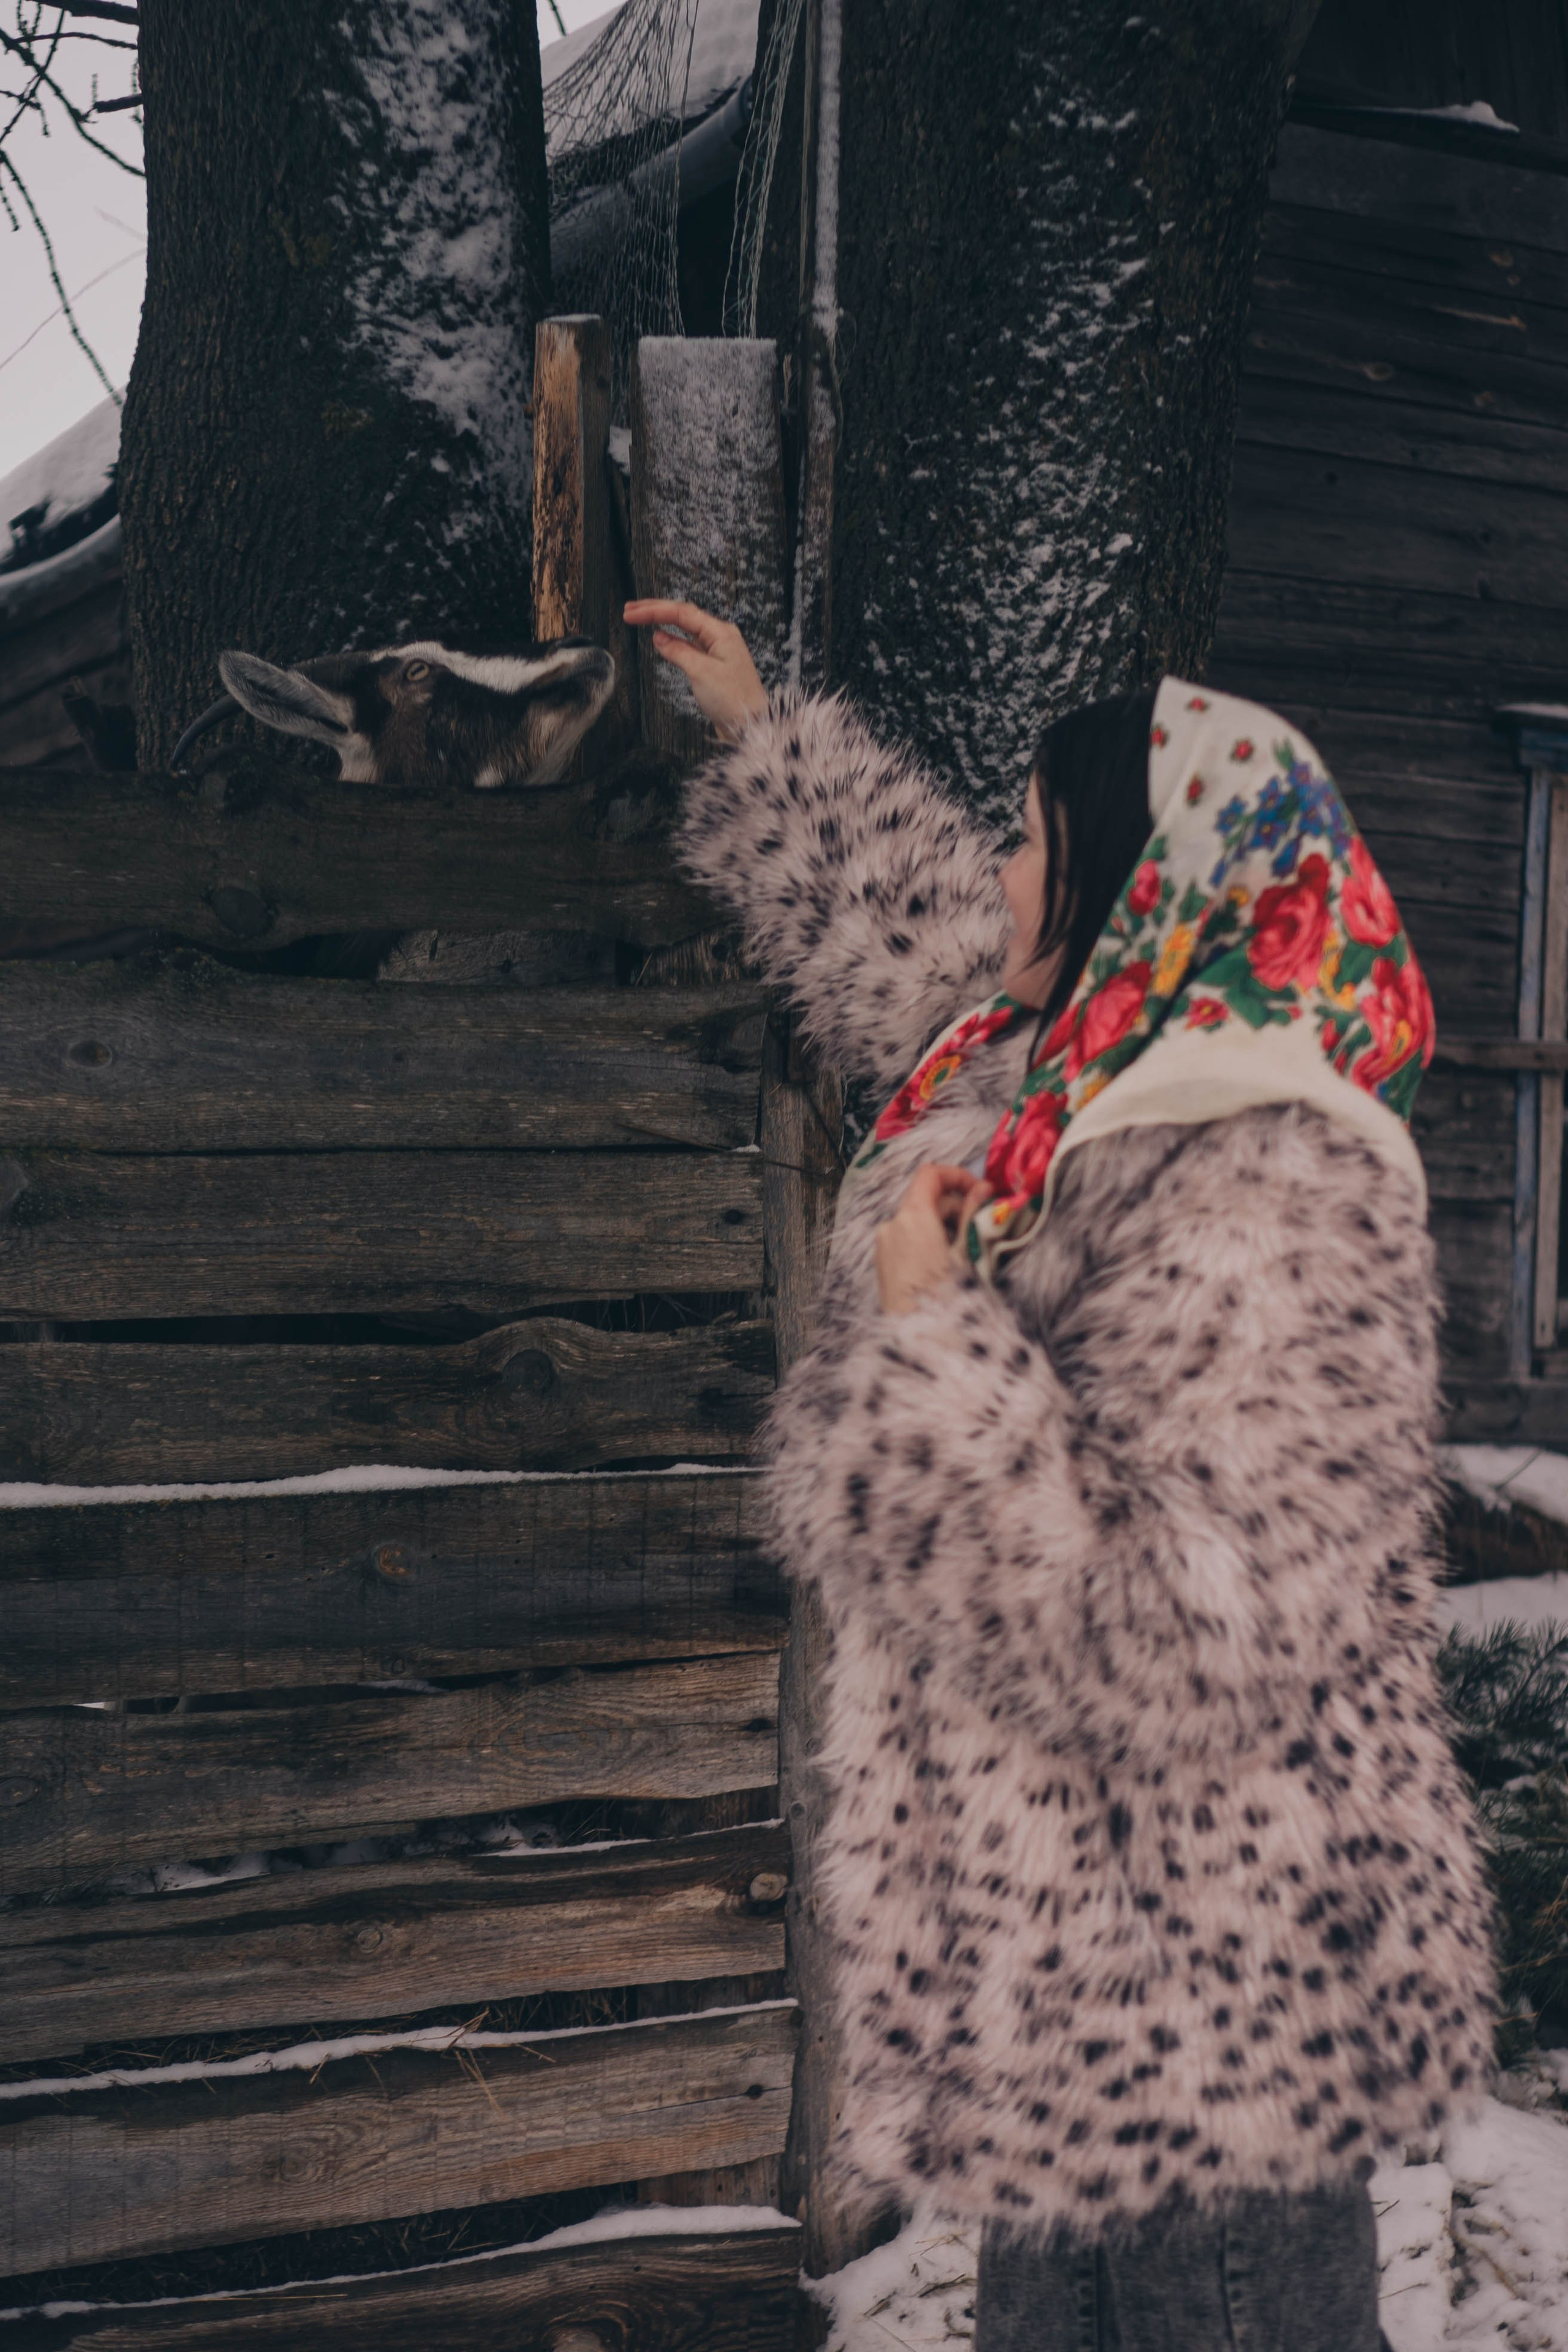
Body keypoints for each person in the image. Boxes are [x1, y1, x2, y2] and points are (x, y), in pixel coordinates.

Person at [625, 597, 1494, 2351]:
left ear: (1135, 884)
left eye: (1031, 840)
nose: (1003, 877)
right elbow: (919, 940)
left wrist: (935, 1344)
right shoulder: (1072, 1073)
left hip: (1209, 2007)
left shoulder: (1266, 1174)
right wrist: (758, 738)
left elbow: (1177, 1633)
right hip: (1068, 1993)